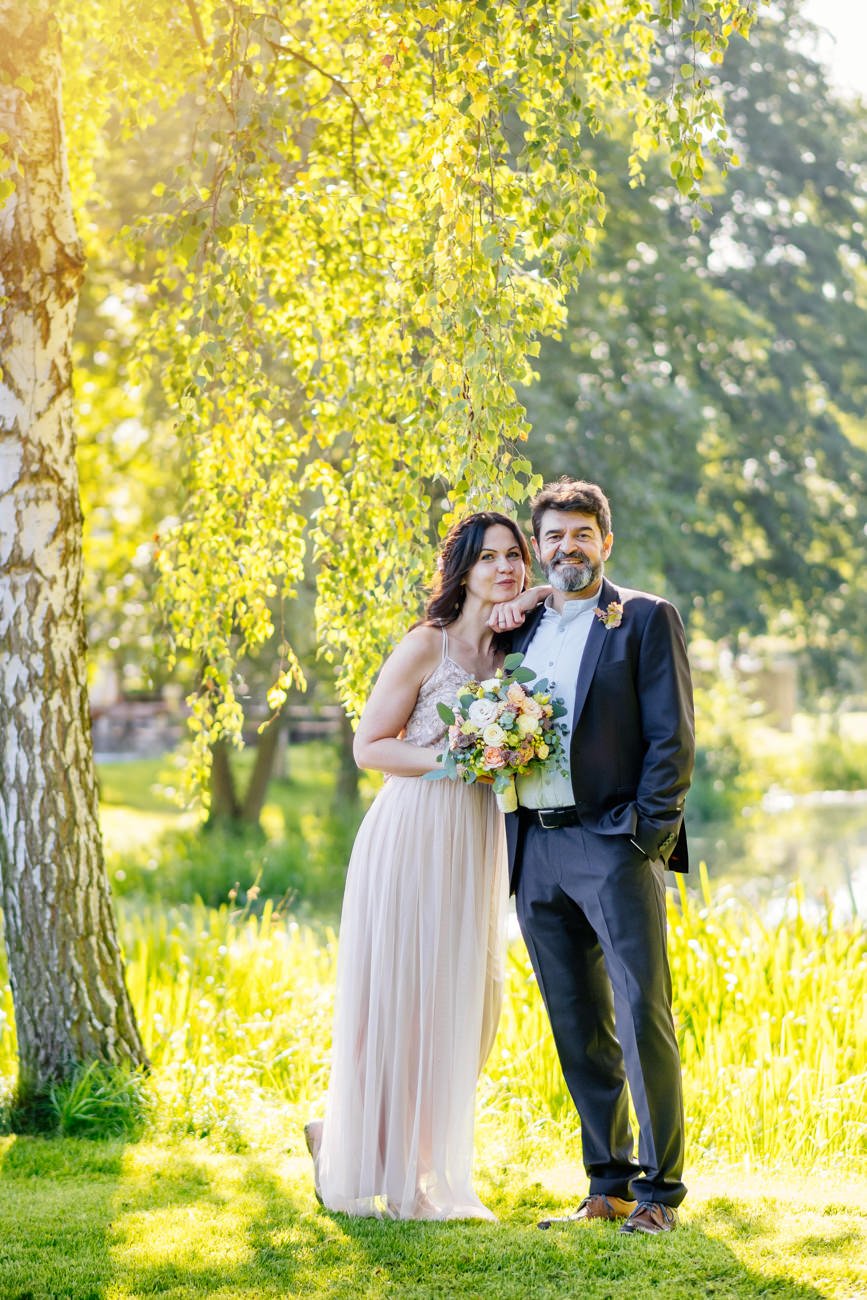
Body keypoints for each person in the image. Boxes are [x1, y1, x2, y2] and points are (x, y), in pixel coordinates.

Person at [306, 511, 542, 1220]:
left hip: (475, 839)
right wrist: (455, 758)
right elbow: (369, 747)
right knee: (407, 1001)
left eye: (514, 557)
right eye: (489, 558)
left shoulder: (512, 656)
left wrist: (531, 603)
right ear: (462, 571)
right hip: (412, 830)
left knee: (470, 1011)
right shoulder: (425, 646)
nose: (504, 568)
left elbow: (572, 601)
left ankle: (352, 1141)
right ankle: (401, 1178)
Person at [492, 478, 694, 1235]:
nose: (566, 548)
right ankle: (604, 1185)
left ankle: (658, 1195)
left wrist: (645, 837)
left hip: (612, 845)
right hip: (534, 848)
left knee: (642, 1014)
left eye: (581, 534)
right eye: (553, 537)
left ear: (604, 542)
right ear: (537, 547)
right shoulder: (518, 631)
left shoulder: (642, 618)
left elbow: (671, 738)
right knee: (575, 1019)